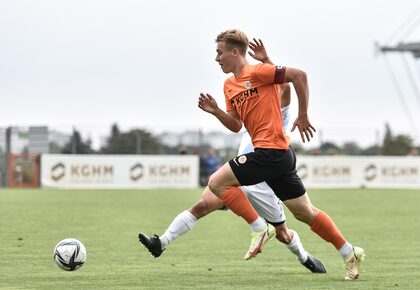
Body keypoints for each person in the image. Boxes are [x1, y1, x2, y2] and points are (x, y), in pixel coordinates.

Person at [195, 29, 365, 281]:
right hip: (275, 157)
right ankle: (349, 252)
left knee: (216, 182)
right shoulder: (229, 85)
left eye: (220, 52)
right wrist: (216, 111)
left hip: (272, 152)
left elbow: (298, 76)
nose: (216, 58)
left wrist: (303, 113)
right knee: (305, 212)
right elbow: (235, 125)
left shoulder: (258, 72)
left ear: (235, 51)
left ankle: (259, 228)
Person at [139, 65, 326, 273]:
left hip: (264, 185)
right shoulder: (249, 126)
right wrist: (217, 111)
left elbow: (286, 86)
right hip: (238, 179)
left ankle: (304, 257)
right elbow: (235, 123)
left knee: (283, 234)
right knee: (202, 205)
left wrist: (266, 61)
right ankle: (161, 242)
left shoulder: (279, 118)